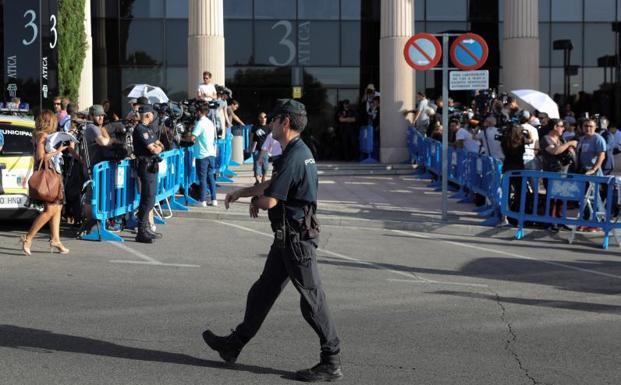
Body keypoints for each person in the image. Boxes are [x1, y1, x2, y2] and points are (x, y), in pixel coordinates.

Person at [203, 99, 342, 382]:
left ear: (285, 122)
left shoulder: (295, 155)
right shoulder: (295, 151)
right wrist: (242, 192)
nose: (270, 124)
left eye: (274, 119)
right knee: (262, 293)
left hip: (296, 240)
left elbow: (270, 200)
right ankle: (233, 345)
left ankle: (331, 360)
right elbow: (272, 185)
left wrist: (256, 200)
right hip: (287, 239)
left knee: (312, 301)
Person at [20, 110, 70, 255]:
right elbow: (41, 157)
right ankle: (28, 238)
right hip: (49, 176)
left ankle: (56, 240)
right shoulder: (42, 136)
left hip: (52, 175)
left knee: (57, 208)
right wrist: (58, 151)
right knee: (51, 210)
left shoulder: (41, 136)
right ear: (50, 122)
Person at [132, 104, 165, 243]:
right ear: (147, 114)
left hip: (152, 166)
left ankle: (145, 228)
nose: (153, 116)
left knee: (151, 199)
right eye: (152, 114)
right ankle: (141, 231)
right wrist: (157, 147)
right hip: (146, 166)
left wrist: (158, 147)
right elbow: (154, 149)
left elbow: (161, 145)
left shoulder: (148, 129)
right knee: (147, 199)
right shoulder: (140, 129)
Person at [187, 105, 218, 207]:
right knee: (211, 178)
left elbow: (192, 137)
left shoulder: (200, 123)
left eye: (196, 112)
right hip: (211, 153)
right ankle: (214, 199)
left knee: (203, 179)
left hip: (202, 155)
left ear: (199, 112)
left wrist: (184, 139)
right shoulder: (210, 122)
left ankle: (203, 200)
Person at [249, 112, 271, 185]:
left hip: (265, 150)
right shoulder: (255, 127)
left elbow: (271, 139)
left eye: (265, 117)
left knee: (265, 166)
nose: (263, 119)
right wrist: (250, 147)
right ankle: (257, 180)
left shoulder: (268, 127)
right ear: (259, 118)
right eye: (261, 117)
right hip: (256, 149)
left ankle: (263, 178)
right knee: (256, 165)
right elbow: (251, 138)